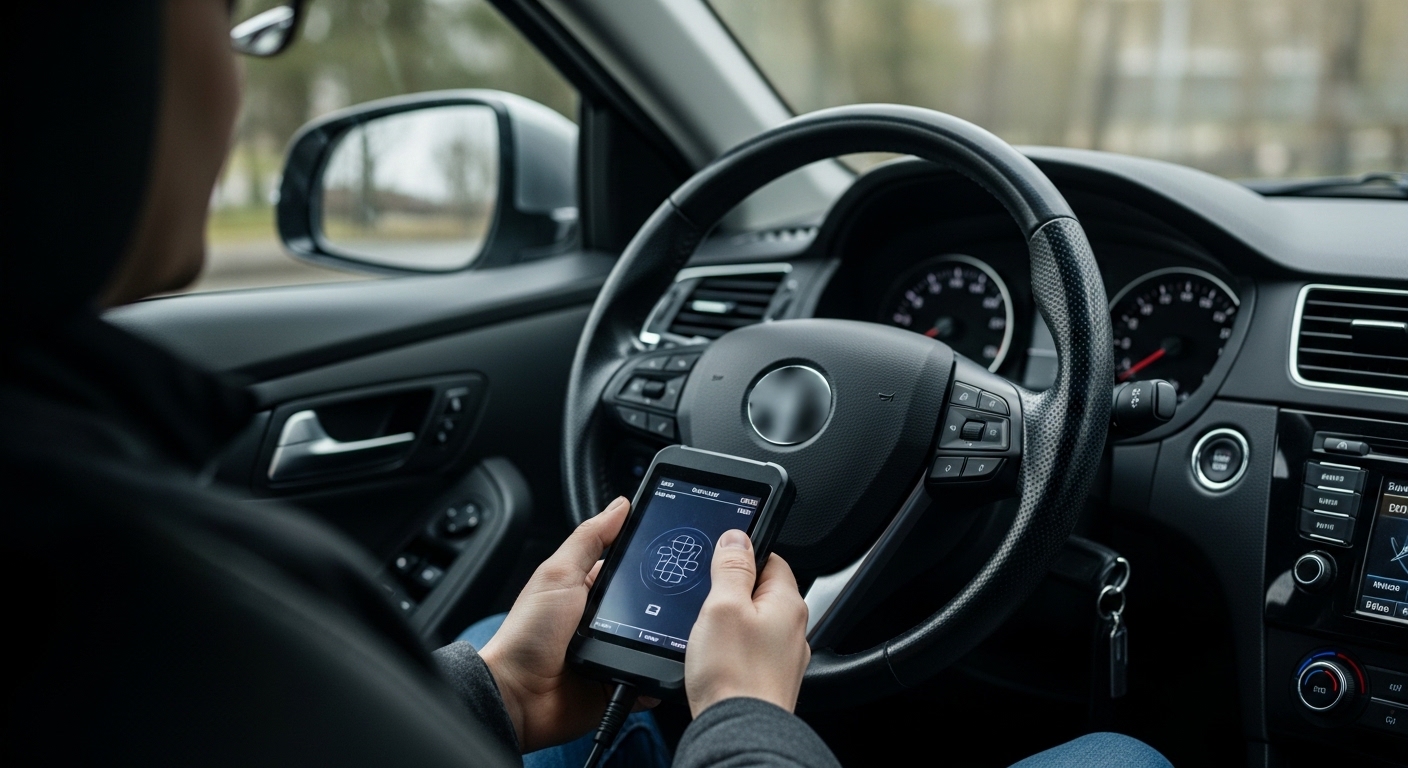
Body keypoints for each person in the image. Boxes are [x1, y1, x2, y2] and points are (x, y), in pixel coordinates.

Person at [1, 2, 1172, 766]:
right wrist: (746, 717)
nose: (238, 54)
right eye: (218, 12)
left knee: (490, 644)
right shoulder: (127, 587)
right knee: (1123, 759)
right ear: (92, 66)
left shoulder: (79, 536)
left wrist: (492, 692)